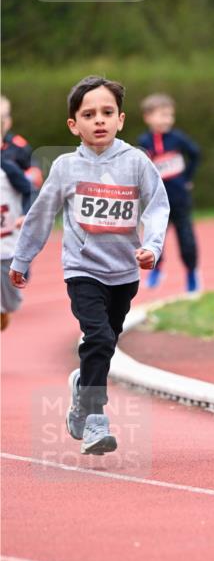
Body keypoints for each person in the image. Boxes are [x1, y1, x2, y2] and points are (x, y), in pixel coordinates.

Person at [9, 75, 169, 455]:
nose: (99, 120)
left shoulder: (136, 163)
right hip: (82, 270)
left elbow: (159, 206)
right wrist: (22, 257)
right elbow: (40, 214)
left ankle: (84, 387)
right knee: (96, 337)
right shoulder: (66, 167)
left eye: (107, 112)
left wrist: (151, 245)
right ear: (73, 124)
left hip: (124, 273)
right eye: (89, 114)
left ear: (121, 120)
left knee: (105, 344)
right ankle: (96, 417)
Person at [137, 92, 201, 291]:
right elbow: (141, 168)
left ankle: (191, 274)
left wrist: (187, 179)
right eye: (162, 115)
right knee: (155, 237)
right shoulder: (144, 141)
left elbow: (195, 154)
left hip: (180, 198)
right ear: (148, 117)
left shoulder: (177, 138)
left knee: (186, 239)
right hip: (156, 201)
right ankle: (157, 269)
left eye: (170, 115)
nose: (168, 119)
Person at [1, 159, 32, 330]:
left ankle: (5, 308)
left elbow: (29, 191)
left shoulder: (9, 170)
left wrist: (26, 213)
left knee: (11, 302)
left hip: (7, 244)